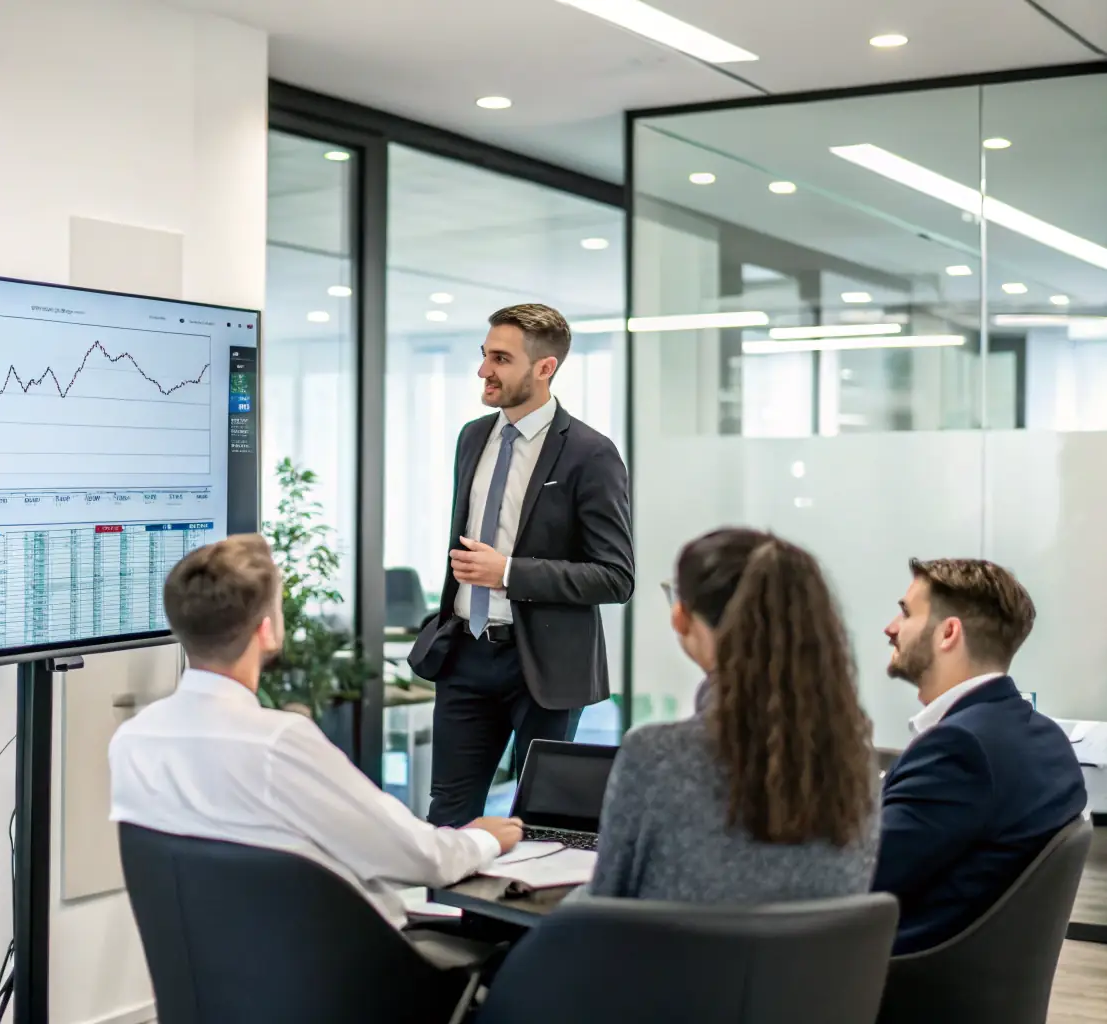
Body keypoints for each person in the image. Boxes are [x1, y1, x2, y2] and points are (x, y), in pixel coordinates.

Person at [109, 533, 523, 930]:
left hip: (230, 972)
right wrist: (482, 839)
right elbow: (420, 858)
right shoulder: (279, 743)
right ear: (267, 630)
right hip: (342, 972)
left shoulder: (132, 741)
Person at [409, 303, 634, 828]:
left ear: (544, 368)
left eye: (500, 359)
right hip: (465, 653)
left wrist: (508, 572)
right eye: (485, 355)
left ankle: (515, 913)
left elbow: (616, 576)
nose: (484, 370)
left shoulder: (590, 454)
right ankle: (452, 913)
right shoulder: (472, 437)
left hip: (545, 665)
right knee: (448, 818)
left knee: (540, 821)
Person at [587, 528, 878, 903]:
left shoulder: (655, 755)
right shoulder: (856, 762)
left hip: (671, 962)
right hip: (819, 963)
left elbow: (605, 906)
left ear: (682, 617)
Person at [875, 557, 1086, 954]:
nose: (890, 628)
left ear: (948, 632)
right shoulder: (1041, 736)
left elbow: (855, 876)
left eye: (905, 613)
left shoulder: (960, 749)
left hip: (890, 985)